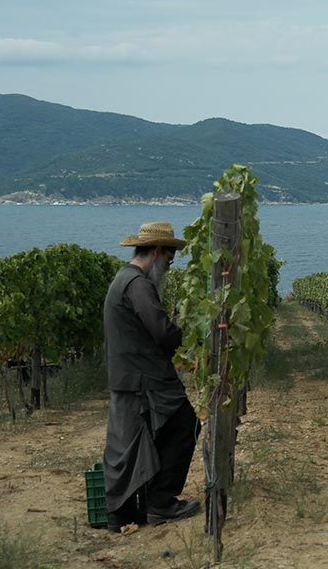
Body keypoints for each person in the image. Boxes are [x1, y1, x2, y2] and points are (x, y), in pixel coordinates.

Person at [102, 221, 200, 532]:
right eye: (169, 261)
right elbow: (161, 330)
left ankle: (131, 511)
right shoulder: (139, 284)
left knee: (133, 442)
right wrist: (187, 335)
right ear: (156, 252)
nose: (168, 269)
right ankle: (160, 503)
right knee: (184, 424)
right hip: (144, 379)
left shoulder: (124, 278)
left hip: (131, 376)